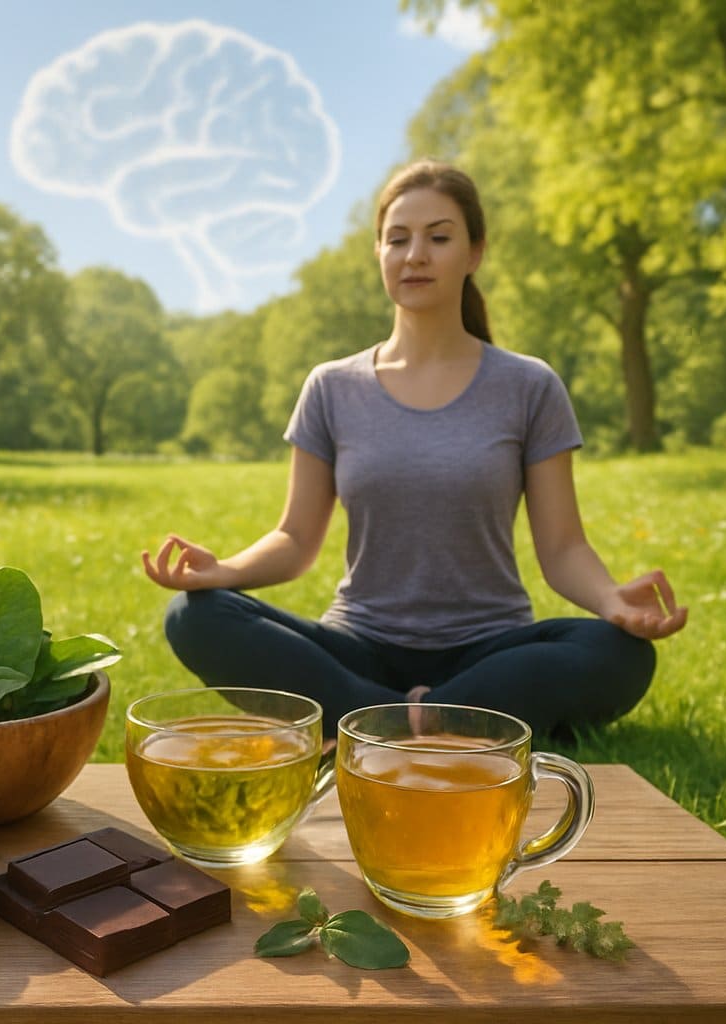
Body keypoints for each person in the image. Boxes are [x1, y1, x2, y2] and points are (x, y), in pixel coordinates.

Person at [141, 160, 687, 741]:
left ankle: (374, 722)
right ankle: (437, 717)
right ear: (378, 252)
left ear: (474, 252)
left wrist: (612, 600)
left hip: (490, 649)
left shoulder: (529, 387)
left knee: (620, 653)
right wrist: (225, 571)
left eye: (439, 237)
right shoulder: (331, 386)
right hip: (360, 647)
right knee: (196, 618)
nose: (415, 254)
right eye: (397, 239)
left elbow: (561, 547)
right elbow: (297, 540)